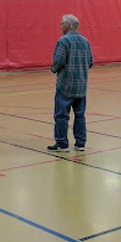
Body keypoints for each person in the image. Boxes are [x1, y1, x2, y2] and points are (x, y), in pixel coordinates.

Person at [47, 14, 94, 152]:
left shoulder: (63, 41)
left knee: (61, 115)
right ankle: (80, 143)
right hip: (81, 86)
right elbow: (90, 62)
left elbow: (58, 61)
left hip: (65, 86)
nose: (60, 26)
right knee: (80, 115)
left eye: (62, 23)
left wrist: (53, 69)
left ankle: (62, 143)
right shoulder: (85, 41)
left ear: (68, 25)